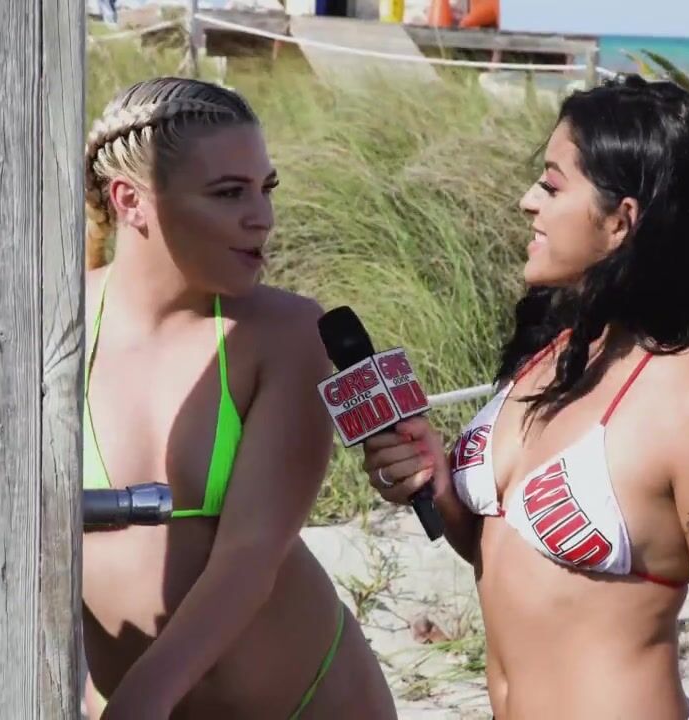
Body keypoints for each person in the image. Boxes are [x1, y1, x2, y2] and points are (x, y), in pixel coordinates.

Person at [363, 76, 689, 720]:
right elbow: (509, 562)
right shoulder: (558, 349)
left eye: (552, 186)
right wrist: (441, 488)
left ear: (621, 221)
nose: (527, 201)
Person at [79, 76, 397, 720]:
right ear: (130, 200)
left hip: (307, 705)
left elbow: (250, 558)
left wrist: (139, 700)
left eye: (265, 188)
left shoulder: (285, 334)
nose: (263, 217)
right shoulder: (57, 326)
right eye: (229, 193)